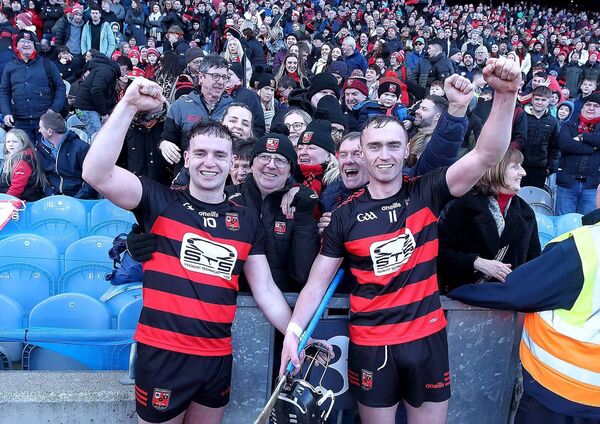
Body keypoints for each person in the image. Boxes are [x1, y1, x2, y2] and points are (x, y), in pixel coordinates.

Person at [280, 58, 522, 424]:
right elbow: (318, 281)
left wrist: (505, 95)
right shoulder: (345, 214)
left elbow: (486, 154)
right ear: (361, 152)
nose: (384, 155)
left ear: (405, 148)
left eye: (393, 146)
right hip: (371, 345)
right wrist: (293, 333)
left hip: (426, 340)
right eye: (374, 147)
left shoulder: (426, 191)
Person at [81, 78, 312, 424]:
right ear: (186, 158)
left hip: (217, 357)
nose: (210, 162)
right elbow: (95, 173)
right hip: (163, 354)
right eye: (201, 153)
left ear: (233, 161)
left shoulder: (246, 220)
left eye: (220, 154)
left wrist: (294, 336)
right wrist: (128, 105)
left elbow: (265, 290)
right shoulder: (159, 200)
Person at [447, 210, 600, 423]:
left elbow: (517, 293)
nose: (523, 173)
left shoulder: (587, 246)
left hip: (561, 393)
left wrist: (455, 293)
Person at [438, 148, 540, 292]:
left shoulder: (526, 213)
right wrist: (476, 262)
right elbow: (440, 254)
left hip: (506, 301)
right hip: (463, 301)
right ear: (496, 169)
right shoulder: (463, 206)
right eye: (515, 166)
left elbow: (533, 262)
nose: (523, 172)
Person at [159, 55, 233, 170]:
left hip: (222, 177)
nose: (221, 81)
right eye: (215, 76)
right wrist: (164, 144)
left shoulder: (233, 108)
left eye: (224, 77)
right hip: (187, 176)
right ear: (201, 77)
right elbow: (167, 138)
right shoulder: (181, 106)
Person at [0, 30, 66, 142]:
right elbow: (4, 91)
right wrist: (6, 113)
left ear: (35, 45)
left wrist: (54, 109)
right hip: (20, 121)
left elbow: (60, 87)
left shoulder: (47, 64)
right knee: (25, 155)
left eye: (30, 42)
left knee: (46, 154)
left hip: (45, 120)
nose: (26, 44)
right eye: (23, 41)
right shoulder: (10, 67)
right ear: (16, 45)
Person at [555, 92, 600, 215]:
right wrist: (593, 148)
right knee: (564, 223)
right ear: (582, 107)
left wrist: (582, 137)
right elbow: (565, 145)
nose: (591, 108)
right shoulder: (569, 125)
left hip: (592, 186)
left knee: (587, 226)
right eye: (588, 105)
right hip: (567, 183)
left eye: (596, 106)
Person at [36, 110, 96, 198]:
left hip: (78, 197)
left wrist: (76, 199)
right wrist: (51, 195)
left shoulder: (81, 148)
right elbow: (42, 176)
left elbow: (91, 180)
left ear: (49, 131)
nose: (39, 130)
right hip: (52, 197)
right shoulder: (40, 147)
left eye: (41, 127)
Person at [73, 54, 131, 139]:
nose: (125, 75)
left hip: (87, 107)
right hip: (87, 108)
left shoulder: (106, 69)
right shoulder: (107, 71)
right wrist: (104, 113)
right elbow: (96, 91)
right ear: (124, 68)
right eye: (126, 72)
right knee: (96, 138)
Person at [520, 86, 560, 189]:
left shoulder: (553, 121)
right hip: (519, 165)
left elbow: (555, 147)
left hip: (541, 168)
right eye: (537, 99)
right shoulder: (522, 117)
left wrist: (550, 168)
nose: (539, 102)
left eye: (543, 100)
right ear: (532, 100)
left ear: (549, 101)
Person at [0, 128, 45, 201]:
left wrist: (4, 201)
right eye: (8, 142)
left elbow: (17, 188)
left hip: (24, 199)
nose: (11, 144)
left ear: (23, 143)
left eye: (14, 141)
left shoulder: (23, 160)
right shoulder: (11, 156)